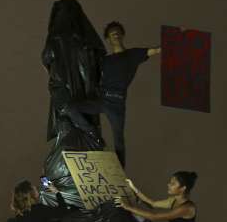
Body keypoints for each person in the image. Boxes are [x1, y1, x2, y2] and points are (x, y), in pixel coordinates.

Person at [60, 21, 160, 166]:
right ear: (108, 38)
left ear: (122, 35)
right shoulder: (105, 61)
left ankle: (120, 172)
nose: (116, 35)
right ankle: (93, 134)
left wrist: (178, 37)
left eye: (118, 33)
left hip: (117, 103)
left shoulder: (132, 55)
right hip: (101, 99)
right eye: (112, 34)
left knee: (118, 139)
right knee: (70, 107)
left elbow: (156, 50)